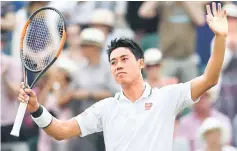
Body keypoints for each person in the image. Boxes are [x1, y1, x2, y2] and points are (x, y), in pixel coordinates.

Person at [17, 3, 228, 151]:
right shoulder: (105, 108)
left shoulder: (167, 97)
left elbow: (209, 79)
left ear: (141, 64)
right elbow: (61, 131)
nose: (118, 65)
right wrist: (36, 109)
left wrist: (220, 37)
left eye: (124, 59)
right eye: (113, 62)